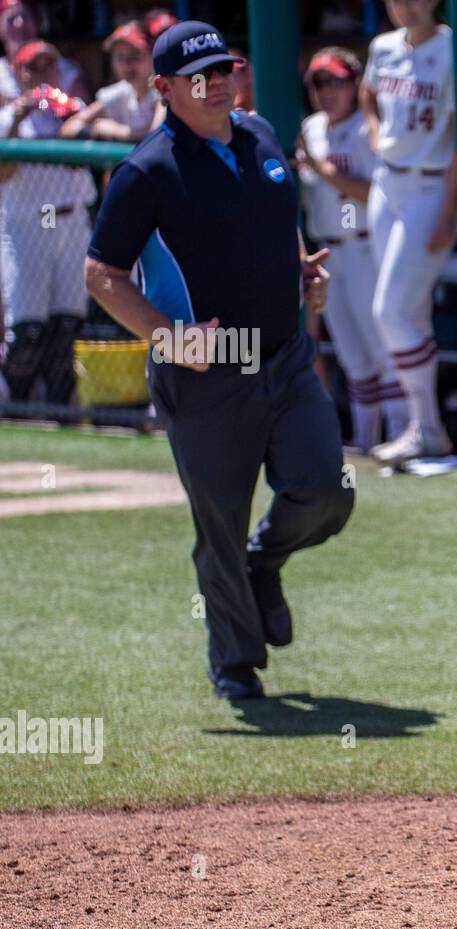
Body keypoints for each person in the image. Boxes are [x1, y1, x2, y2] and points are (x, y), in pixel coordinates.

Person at [84, 20, 353, 700]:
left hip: (286, 356)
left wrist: (302, 274)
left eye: (225, 70)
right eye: (200, 77)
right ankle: (235, 663)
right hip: (204, 377)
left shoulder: (261, 135)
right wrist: (169, 338)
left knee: (328, 488)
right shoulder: (145, 170)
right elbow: (102, 274)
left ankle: (267, 564)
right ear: (166, 88)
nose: (217, 85)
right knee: (220, 527)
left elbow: (276, 219)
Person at [360, 0, 457, 464]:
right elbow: (367, 94)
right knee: (408, 311)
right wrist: (373, 129)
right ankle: (425, 429)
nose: (407, 5)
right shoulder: (382, 46)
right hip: (387, 182)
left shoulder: (454, 48)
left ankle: (425, 426)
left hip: (431, 185)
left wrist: (448, 211)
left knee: (390, 310)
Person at [298, 46, 407, 452]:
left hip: (366, 246)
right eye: (317, 83)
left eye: (335, 82)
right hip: (328, 251)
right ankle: (364, 445)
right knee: (351, 356)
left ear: (354, 85)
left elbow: (372, 193)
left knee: (384, 352)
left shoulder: (369, 128)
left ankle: (399, 439)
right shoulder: (311, 129)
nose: (326, 91)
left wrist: (324, 169)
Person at [0, 40, 94, 407]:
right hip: (26, 225)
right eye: (32, 67)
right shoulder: (8, 118)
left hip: (70, 222)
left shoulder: (75, 110)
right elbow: (4, 171)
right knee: (28, 328)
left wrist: (70, 115)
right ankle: (18, 400)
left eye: (47, 66)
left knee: (67, 323)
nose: (41, 74)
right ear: (19, 75)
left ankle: (58, 404)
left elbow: (88, 150)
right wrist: (21, 113)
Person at [60, 22, 161, 143]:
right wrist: (94, 131)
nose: (126, 65)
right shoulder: (122, 91)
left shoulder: (163, 89)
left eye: (135, 56)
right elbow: (68, 128)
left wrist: (119, 132)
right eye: (120, 57)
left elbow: (157, 138)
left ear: (152, 56)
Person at [0, 0, 87, 104]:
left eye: (25, 16)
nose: (20, 23)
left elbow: (82, 113)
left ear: (38, 22)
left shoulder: (66, 71)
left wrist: (54, 92)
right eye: (11, 19)